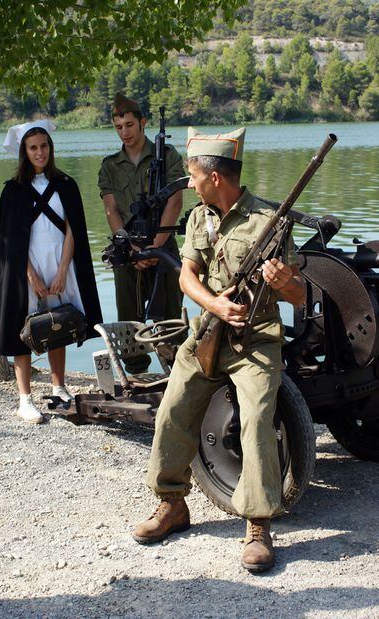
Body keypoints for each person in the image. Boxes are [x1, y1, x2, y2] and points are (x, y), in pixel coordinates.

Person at [132, 127, 306, 572]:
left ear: (214, 177)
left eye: (192, 175)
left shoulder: (270, 221)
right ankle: (172, 503)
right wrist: (215, 305)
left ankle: (258, 524)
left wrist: (285, 285)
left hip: (256, 340)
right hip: (208, 331)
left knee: (255, 420)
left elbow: (301, 297)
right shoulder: (197, 219)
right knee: (172, 409)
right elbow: (187, 277)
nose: (189, 183)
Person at [0, 120, 103, 424]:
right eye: (33, 147)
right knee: (22, 329)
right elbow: (10, 239)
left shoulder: (66, 184)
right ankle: (24, 399)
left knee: (59, 323)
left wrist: (63, 270)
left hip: (60, 263)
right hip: (27, 268)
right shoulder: (13, 190)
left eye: (44, 146)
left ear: (51, 148)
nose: (40, 152)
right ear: (24, 151)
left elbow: (72, 229)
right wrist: (31, 275)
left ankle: (58, 387)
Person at [98, 93, 185, 374]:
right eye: (118, 127)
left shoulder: (167, 156)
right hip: (128, 251)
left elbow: (175, 200)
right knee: (128, 318)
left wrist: (156, 246)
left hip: (164, 248)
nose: (124, 132)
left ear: (142, 123)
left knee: (171, 317)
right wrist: (132, 249)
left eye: (129, 125)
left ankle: (178, 374)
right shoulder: (110, 165)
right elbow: (111, 210)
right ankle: (137, 375)